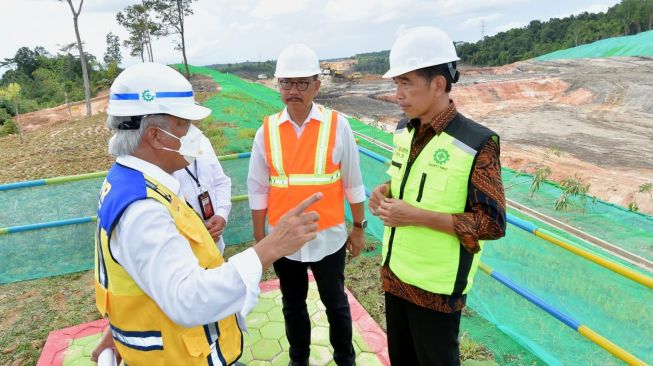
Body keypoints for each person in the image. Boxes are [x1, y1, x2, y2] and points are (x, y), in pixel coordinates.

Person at [90, 62, 323, 365]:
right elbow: (187, 298)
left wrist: (118, 328)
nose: (193, 134)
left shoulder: (132, 183)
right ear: (155, 136)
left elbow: (140, 274)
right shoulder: (142, 209)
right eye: (182, 125)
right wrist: (271, 246)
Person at [368, 26, 506, 365]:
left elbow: (491, 223)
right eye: (396, 84)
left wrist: (415, 216)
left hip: (437, 290)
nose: (397, 94)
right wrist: (384, 192)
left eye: (405, 83)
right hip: (395, 274)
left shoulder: (477, 143)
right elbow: (407, 180)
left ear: (439, 84)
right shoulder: (404, 129)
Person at [247, 44, 366, 366]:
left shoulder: (337, 125)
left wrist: (358, 227)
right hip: (284, 239)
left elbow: (353, 182)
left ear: (317, 85)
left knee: (335, 302)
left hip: (328, 236)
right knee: (292, 303)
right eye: (287, 83)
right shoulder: (267, 130)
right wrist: (262, 238)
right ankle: (298, 359)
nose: (294, 91)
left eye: (302, 83)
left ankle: (345, 358)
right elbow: (258, 189)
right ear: (278, 86)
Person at [173, 135, 231, 254]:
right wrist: (197, 232)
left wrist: (221, 214)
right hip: (184, 250)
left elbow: (221, 182)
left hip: (215, 244)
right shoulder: (157, 154)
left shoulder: (203, 141)